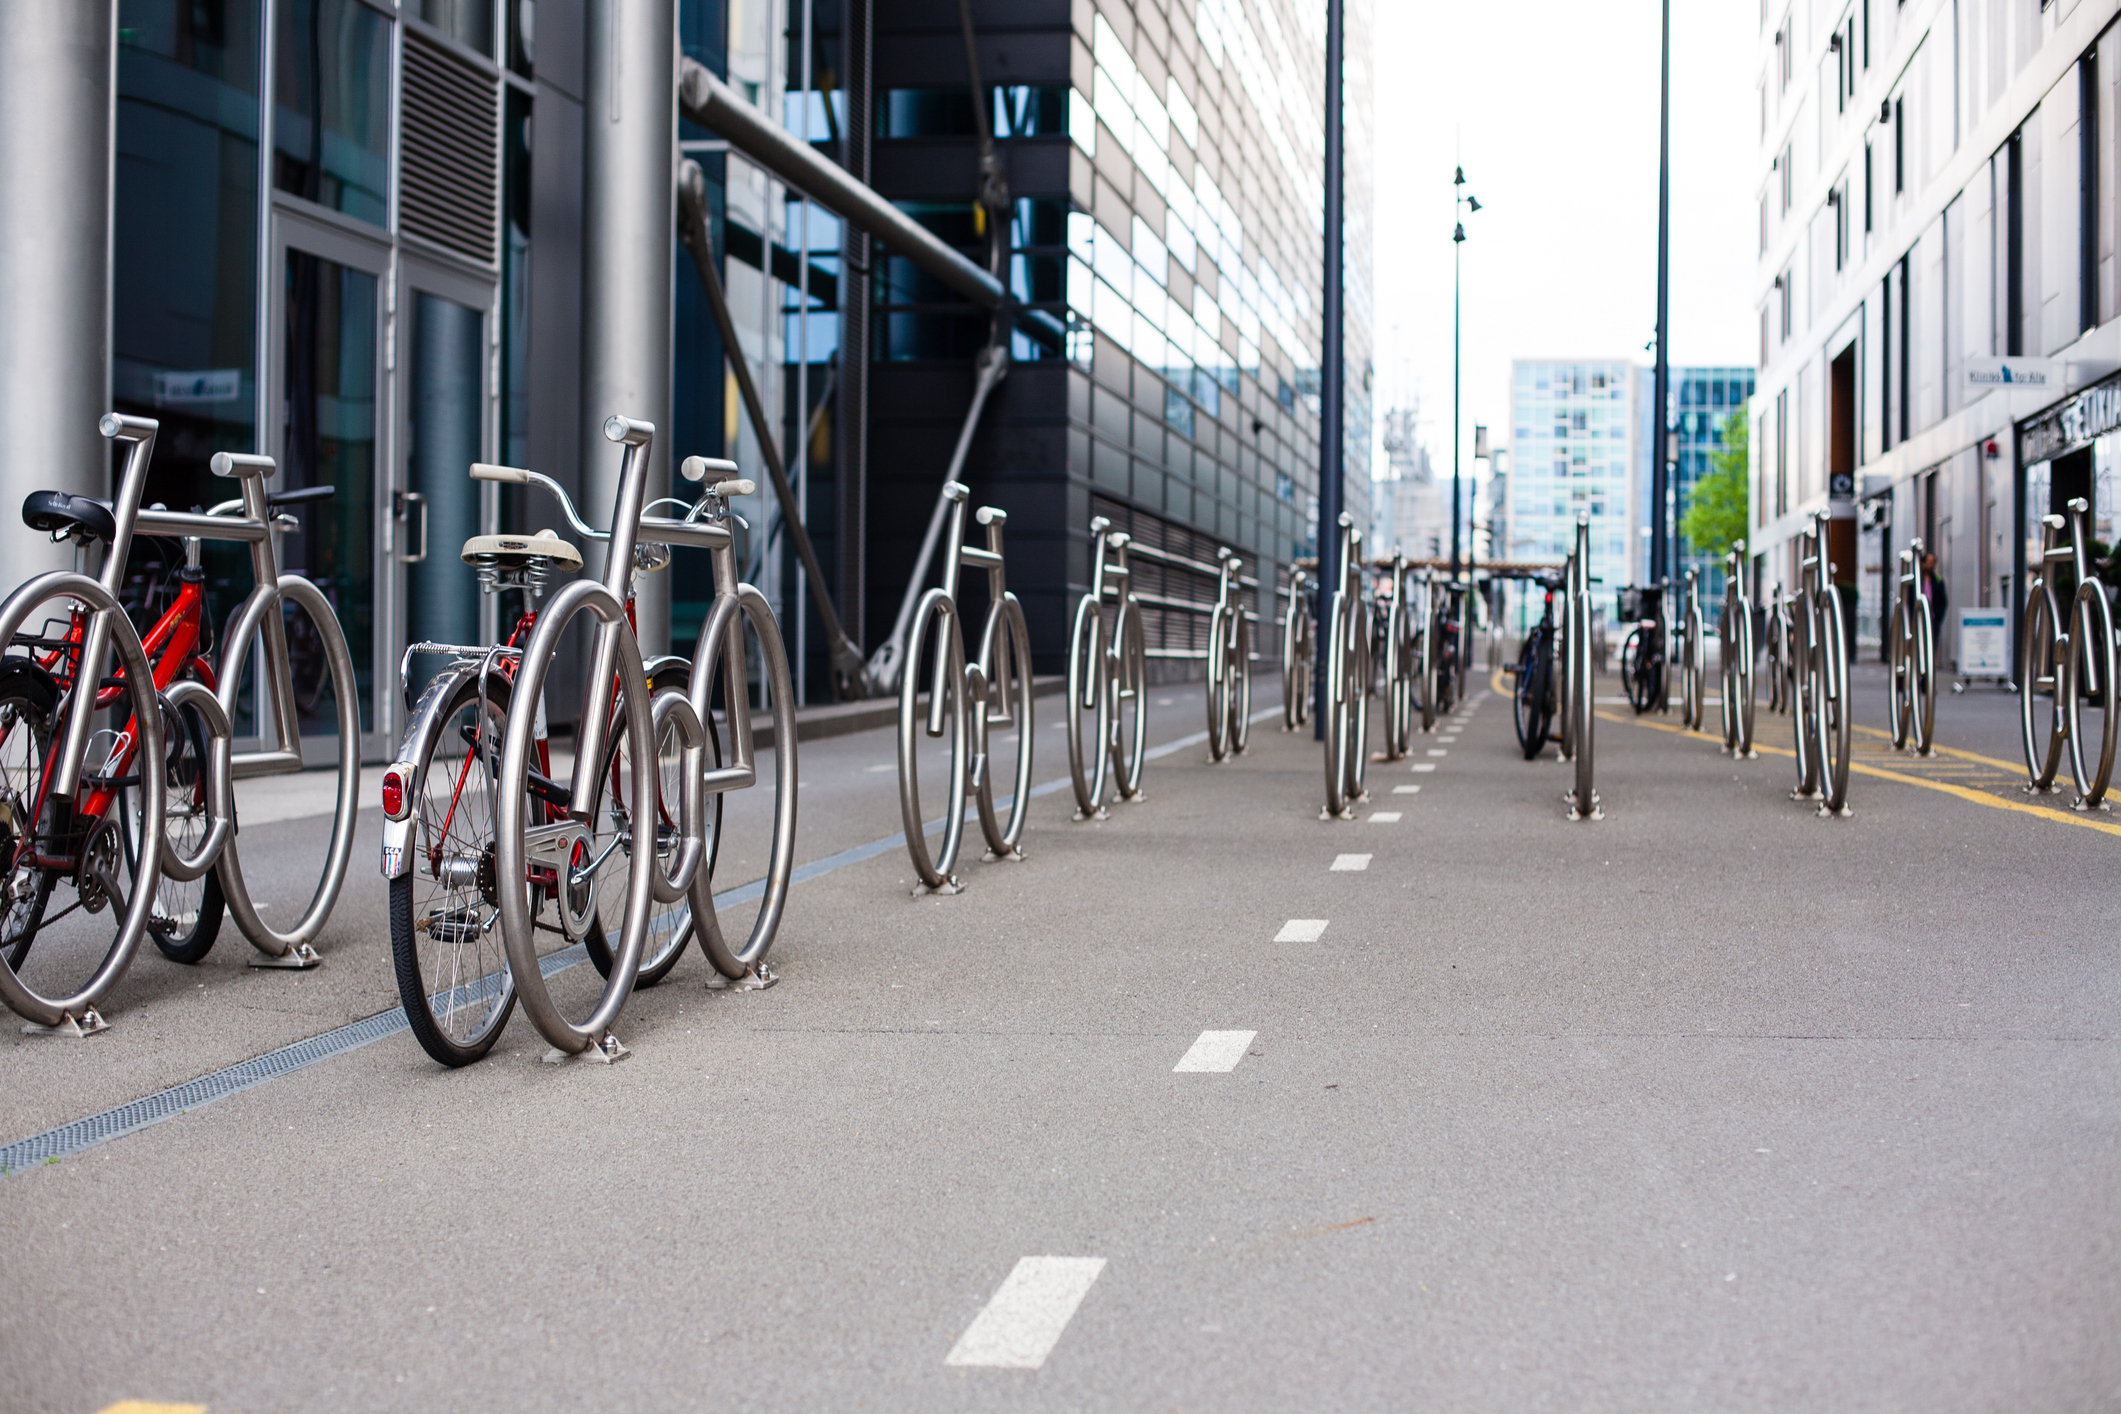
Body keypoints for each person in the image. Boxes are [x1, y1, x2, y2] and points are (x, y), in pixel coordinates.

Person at [1921, 552, 1948, 637]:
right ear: (1923, 563)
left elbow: (1943, 601)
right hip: (1919, 617)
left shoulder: (1938, 580)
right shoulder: (1916, 581)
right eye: (1928, 562)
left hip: (1933, 619)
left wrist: (1937, 617)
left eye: (1932, 562)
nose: (1931, 565)